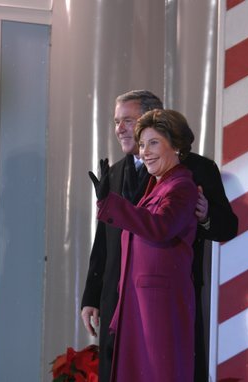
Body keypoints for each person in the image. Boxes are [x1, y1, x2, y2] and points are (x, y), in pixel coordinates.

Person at [81, 90, 238, 382]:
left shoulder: (193, 172)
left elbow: (225, 226)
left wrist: (205, 217)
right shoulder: (113, 173)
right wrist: (92, 294)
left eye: (128, 120)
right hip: (119, 297)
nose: (120, 129)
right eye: (117, 122)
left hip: (163, 298)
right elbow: (104, 241)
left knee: (165, 369)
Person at [89, 109, 198, 381]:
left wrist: (112, 203)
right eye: (142, 144)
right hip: (139, 308)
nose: (144, 151)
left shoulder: (182, 186)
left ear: (176, 145)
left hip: (160, 310)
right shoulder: (157, 187)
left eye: (154, 143)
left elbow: (160, 226)